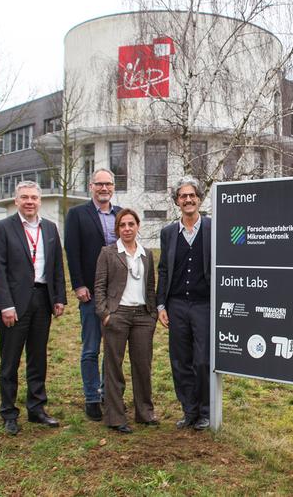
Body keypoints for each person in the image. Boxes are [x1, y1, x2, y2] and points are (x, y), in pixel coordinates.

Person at [0, 181, 66, 435]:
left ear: (40, 200)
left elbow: (56, 267)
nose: (29, 201)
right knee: (10, 360)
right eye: (24, 197)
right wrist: (6, 305)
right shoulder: (2, 228)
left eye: (34, 197)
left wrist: (59, 298)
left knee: (38, 357)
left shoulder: (50, 228)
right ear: (16, 200)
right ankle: (9, 412)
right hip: (14, 304)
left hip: (42, 300)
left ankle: (37, 408)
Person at [94, 208, 159, 433]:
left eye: (131, 224)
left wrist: (152, 315)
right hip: (117, 315)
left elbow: (150, 286)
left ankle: (145, 412)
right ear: (117, 229)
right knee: (114, 367)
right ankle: (115, 416)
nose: (127, 228)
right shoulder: (108, 253)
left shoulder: (146, 254)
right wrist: (105, 314)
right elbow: (99, 286)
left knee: (143, 366)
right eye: (123, 225)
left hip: (143, 316)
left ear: (138, 226)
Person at [65, 169, 122, 421]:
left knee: (112, 348)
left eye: (108, 184)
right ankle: (91, 396)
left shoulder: (121, 215)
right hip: (90, 292)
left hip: (117, 295)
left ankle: (106, 393)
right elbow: (72, 250)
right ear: (91, 186)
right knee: (91, 348)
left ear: (113, 187)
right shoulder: (77, 214)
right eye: (99, 184)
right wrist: (78, 284)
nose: (104, 188)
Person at [157, 176, 212, 431]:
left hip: (203, 304)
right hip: (176, 305)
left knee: (202, 361)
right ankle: (188, 410)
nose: (188, 200)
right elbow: (164, 270)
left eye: (192, 195)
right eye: (183, 196)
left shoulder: (213, 228)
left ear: (199, 199)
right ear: (177, 201)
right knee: (180, 361)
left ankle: (204, 411)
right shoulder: (168, 233)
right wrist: (161, 306)